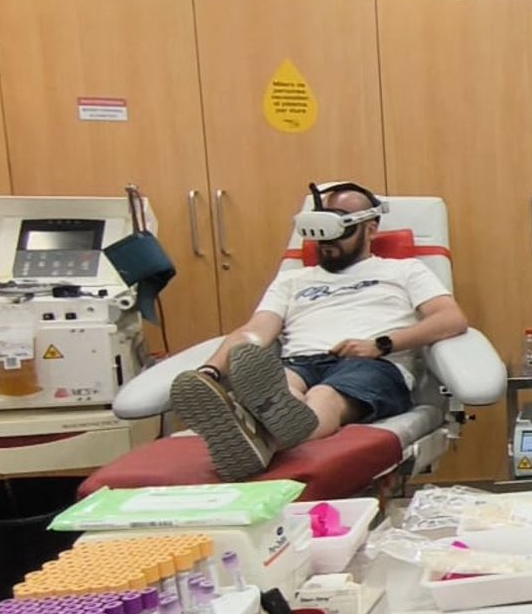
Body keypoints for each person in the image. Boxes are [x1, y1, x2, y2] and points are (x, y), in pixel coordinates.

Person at [169, 182, 468, 481]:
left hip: (372, 364)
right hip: (299, 362)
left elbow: (450, 318)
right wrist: (210, 373)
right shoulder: (292, 280)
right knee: (283, 388)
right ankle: (261, 432)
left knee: (324, 396)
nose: (327, 241)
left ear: (370, 229)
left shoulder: (405, 270)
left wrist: (381, 344)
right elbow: (255, 331)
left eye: (339, 230)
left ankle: (261, 439)